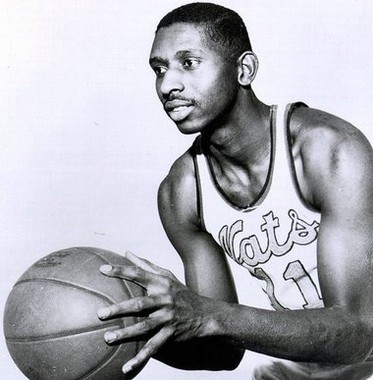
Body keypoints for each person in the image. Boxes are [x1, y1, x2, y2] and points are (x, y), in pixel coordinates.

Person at [97, 3, 373, 379]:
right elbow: (220, 352)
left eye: (188, 63)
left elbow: (357, 335)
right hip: (312, 367)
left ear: (244, 69)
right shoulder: (182, 192)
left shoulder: (328, 150)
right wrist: (118, 332)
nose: (167, 84)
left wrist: (206, 313)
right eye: (159, 69)